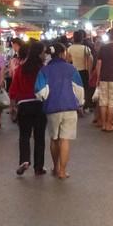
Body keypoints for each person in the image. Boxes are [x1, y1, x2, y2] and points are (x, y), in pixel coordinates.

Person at [36, 42, 84, 179]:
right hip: (69, 107)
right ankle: (63, 171)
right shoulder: (71, 69)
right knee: (65, 140)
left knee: (54, 139)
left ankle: (55, 167)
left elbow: (39, 91)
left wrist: (45, 98)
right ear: (63, 53)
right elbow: (79, 89)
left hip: (52, 108)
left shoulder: (44, 70)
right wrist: (80, 103)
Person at [10, 42, 47, 176]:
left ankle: (24, 160)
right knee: (39, 137)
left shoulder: (21, 69)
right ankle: (38, 167)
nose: (45, 55)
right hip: (39, 105)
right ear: (39, 54)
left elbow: (13, 89)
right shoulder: (42, 69)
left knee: (24, 135)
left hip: (24, 105)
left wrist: (13, 104)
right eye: (43, 52)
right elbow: (47, 88)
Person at [67, 30, 95, 111]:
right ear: (82, 38)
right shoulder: (86, 48)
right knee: (84, 89)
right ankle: (83, 106)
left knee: (74, 89)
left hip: (73, 72)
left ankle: (76, 105)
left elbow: (68, 62)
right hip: (84, 72)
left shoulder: (69, 49)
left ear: (73, 39)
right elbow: (90, 62)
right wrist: (89, 73)